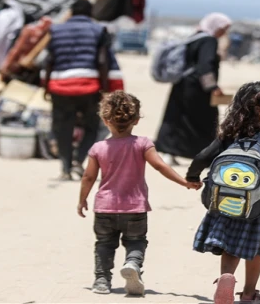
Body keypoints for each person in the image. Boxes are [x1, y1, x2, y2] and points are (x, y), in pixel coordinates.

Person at [77, 91, 202, 295]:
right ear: (135, 120)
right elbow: (160, 166)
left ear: (105, 119)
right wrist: (184, 182)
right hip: (135, 207)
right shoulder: (142, 144)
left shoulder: (98, 148)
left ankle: (101, 280)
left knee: (104, 244)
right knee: (136, 241)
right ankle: (133, 264)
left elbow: (88, 178)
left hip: (104, 207)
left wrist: (82, 200)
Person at [186, 80, 260, 304]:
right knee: (258, 247)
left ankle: (227, 277)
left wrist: (193, 177)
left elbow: (203, 156)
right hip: (259, 205)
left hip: (225, 203)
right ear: (259, 109)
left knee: (229, 243)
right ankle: (248, 293)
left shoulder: (230, 135)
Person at [44, 0, 121, 180]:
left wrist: (46, 86)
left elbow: (49, 61)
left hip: (59, 86)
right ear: (90, 13)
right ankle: (79, 161)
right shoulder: (98, 30)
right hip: (89, 87)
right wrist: (103, 88)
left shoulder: (55, 30)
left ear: (71, 13)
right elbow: (102, 61)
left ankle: (65, 167)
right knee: (91, 126)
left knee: (63, 128)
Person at [155, 13, 232, 166]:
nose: (224, 33)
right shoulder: (209, 40)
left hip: (182, 85)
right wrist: (213, 87)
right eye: (223, 28)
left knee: (177, 118)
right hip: (197, 90)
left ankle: (168, 152)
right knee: (206, 120)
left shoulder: (195, 37)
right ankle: (207, 155)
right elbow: (205, 65)